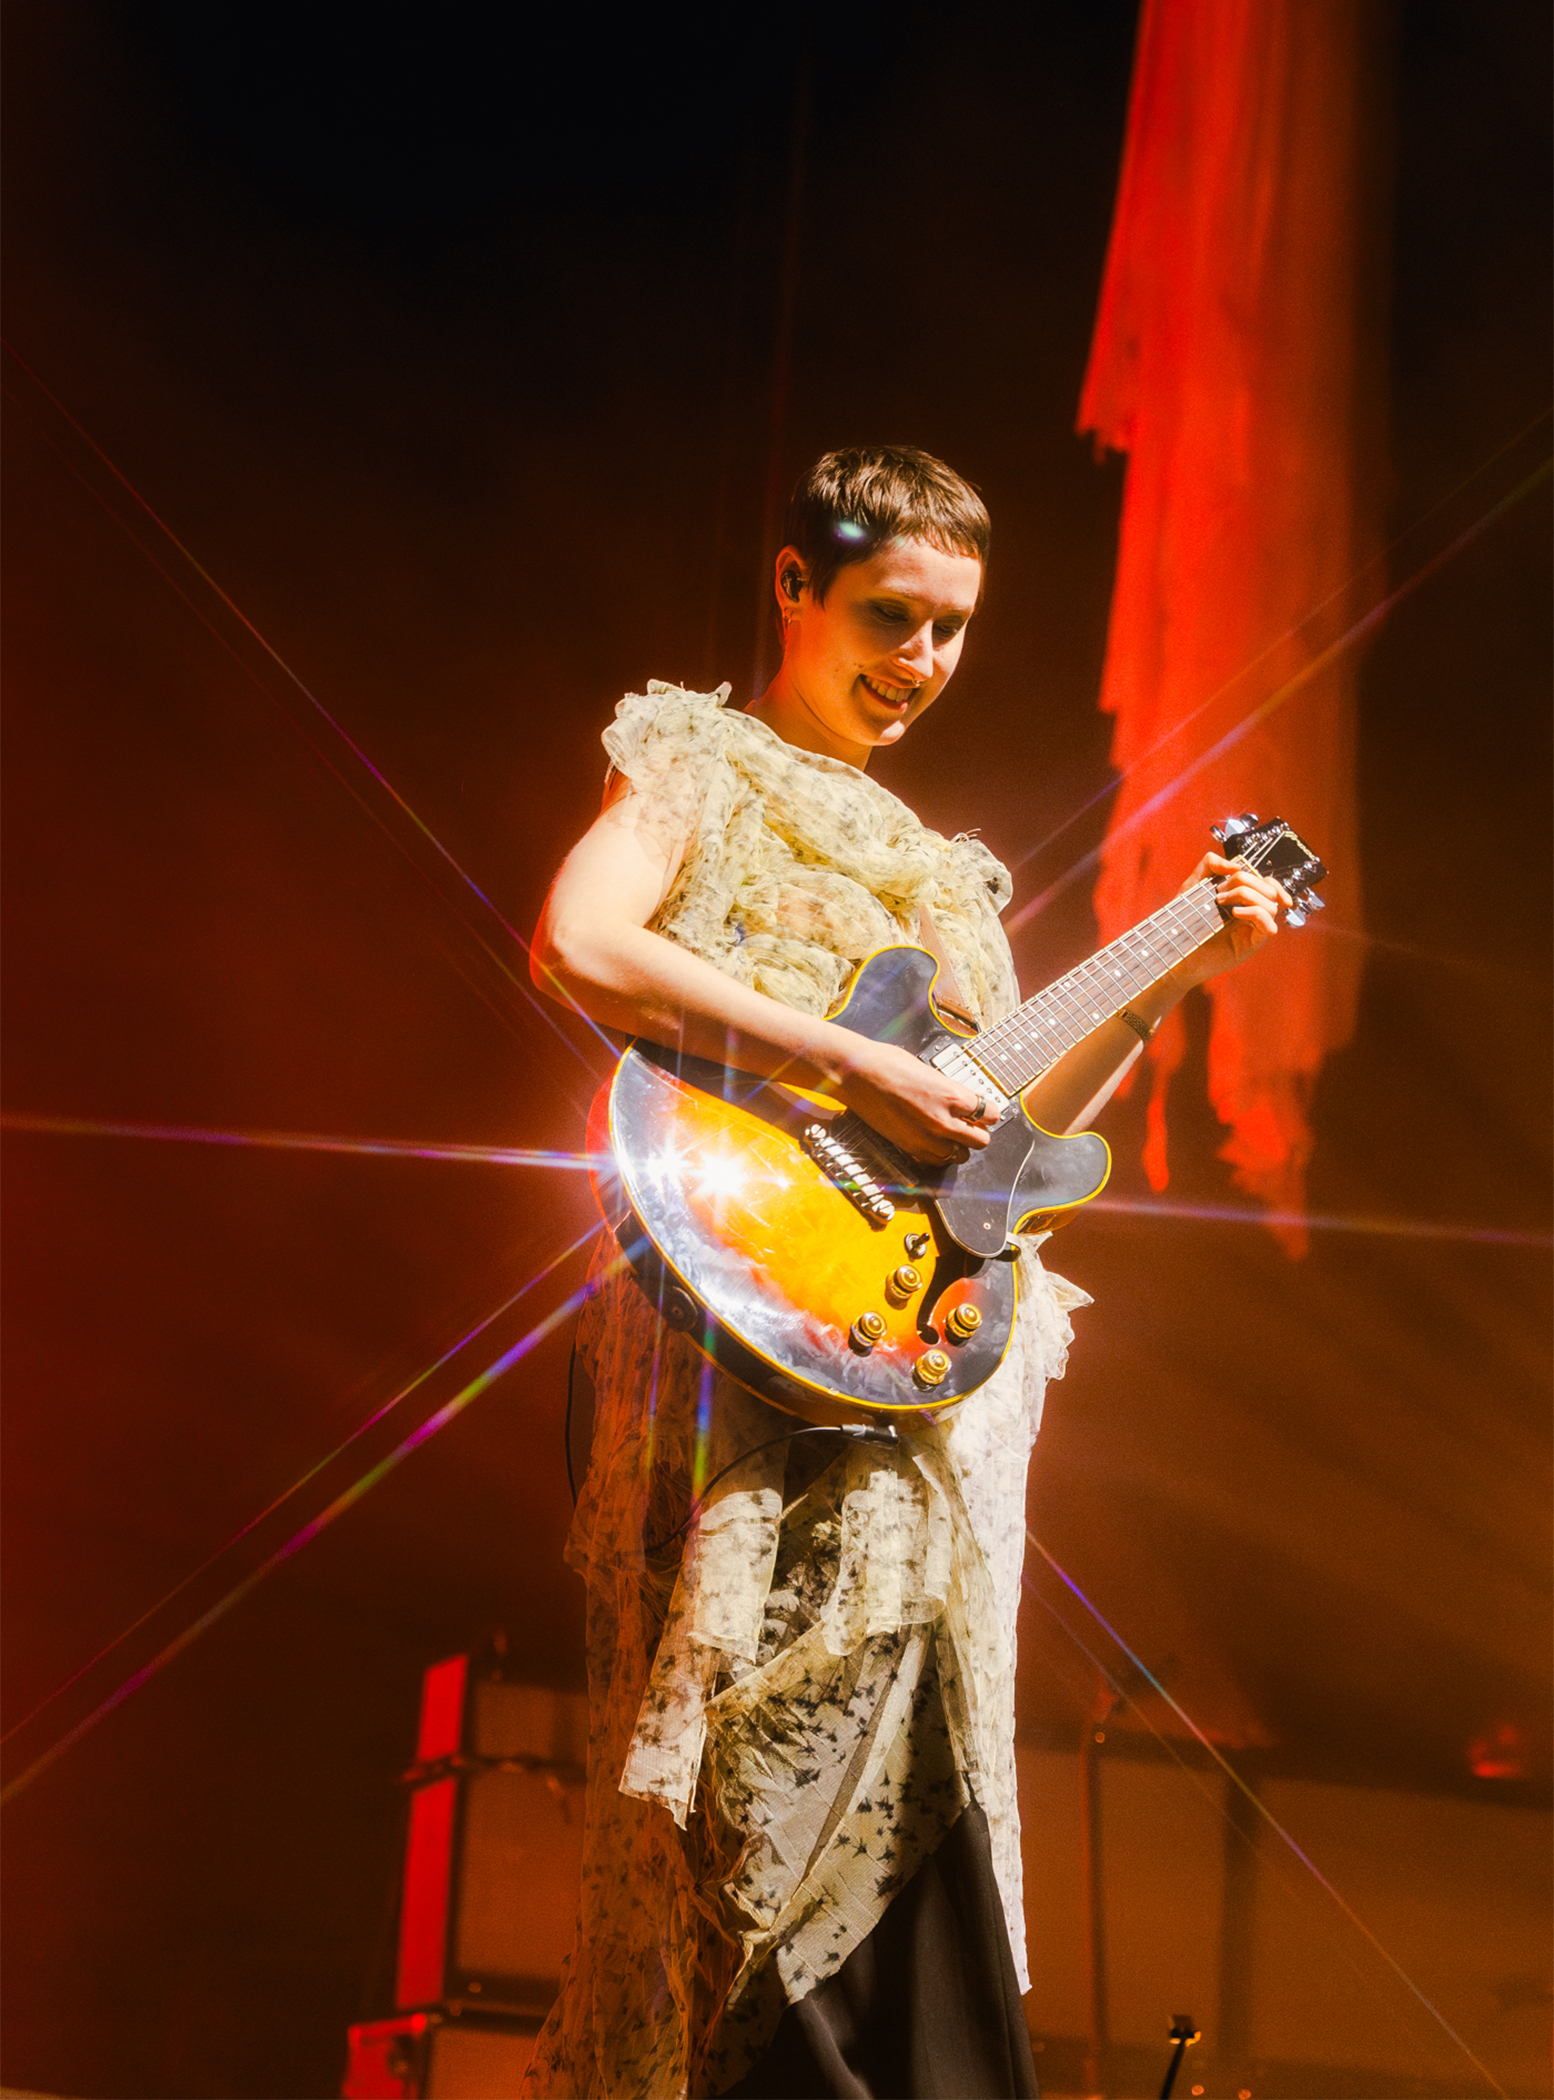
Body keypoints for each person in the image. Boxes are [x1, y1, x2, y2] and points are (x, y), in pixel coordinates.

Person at [520, 447, 1287, 2100]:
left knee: (910, 1747)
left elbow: (1000, 1149)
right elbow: (581, 942)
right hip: (725, 1315)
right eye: (889, 615)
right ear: (794, 587)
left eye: (950, 630)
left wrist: (1169, 975)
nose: (920, 660)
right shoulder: (702, 764)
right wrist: (844, 1061)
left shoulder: (944, 875)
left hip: (892, 1365)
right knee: (742, 1772)